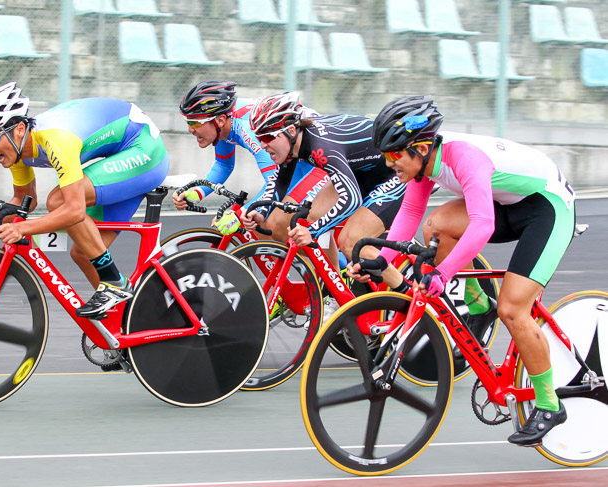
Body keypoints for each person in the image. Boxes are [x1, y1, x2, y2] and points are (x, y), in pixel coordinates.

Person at [351, 94, 574, 446]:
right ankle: (479, 305)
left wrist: (444, 273)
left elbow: (483, 226)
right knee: (435, 226)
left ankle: (549, 404)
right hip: (508, 204)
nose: (389, 162)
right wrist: (383, 261)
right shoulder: (423, 167)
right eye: (386, 155)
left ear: (421, 148)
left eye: (395, 155)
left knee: (514, 309)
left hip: (547, 209)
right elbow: (410, 215)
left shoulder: (464, 158)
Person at [0, 82, 169, 320]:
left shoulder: (56, 139)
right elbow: (24, 200)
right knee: (82, 252)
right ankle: (130, 325)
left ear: (17, 129)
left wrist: (22, 228)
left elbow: (74, 210)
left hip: (144, 151)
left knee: (59, 201)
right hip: (120, 155)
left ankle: (116, 284)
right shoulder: (16, 152)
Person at [244, 91, 410, 318]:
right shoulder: (294, 144)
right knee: (311, 214)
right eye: (259, 138)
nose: (262, 145)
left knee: (351, 243)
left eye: (267, 138)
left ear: (291, 131)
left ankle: (413, 301)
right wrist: (262, 212)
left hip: (393, 172)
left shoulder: (321, 147)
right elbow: (280, 182)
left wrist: (313, 231)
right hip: (364, 172)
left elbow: (350, 199)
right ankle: (334, 291)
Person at [174, 81, 329, 242]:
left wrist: (238, 215)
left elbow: (274, 184)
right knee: (260, 222)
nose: (190, 129)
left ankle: (336, 266)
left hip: (318, 158)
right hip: (296, 158)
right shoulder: (222, 122)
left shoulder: (249, 128)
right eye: (188, 122)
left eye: (195, 123)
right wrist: (198, 192)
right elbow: (223, 165)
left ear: (219, 120)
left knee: (277, 223)